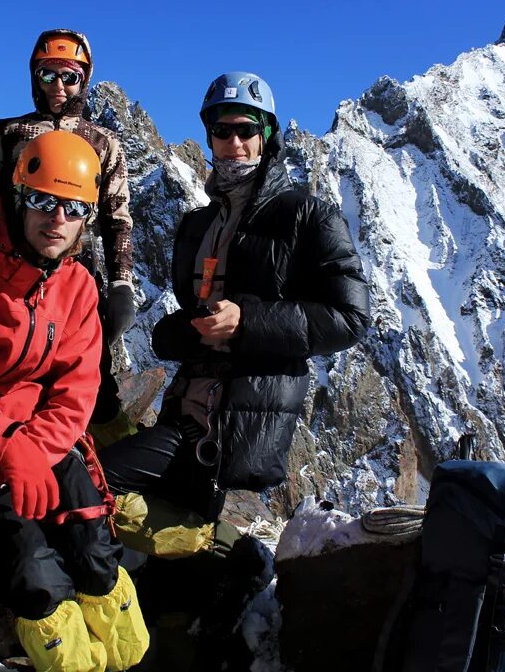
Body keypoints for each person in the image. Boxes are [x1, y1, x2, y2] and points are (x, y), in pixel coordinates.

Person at [98, 72, 370, 663]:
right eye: (222, 131)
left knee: (96, 480)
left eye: (248, 130)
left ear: (267, 136)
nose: (235, 144)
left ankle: (209, 574)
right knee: (167, 552)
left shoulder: (307, 214)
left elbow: (350, 317)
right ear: (209, 137)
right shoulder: (197, 224)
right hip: (186, 408)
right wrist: (181, 330)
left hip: (242, 423)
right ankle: (225, 564)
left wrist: (246, 323)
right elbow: (182, 321)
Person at [0, 131, 149, 672]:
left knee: (96, 555)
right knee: (36, 575)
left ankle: (128, 660)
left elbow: (76, 389)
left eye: (74, 207)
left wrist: (36, 450)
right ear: (17, 197)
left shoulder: (79, 287)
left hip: (50, 444)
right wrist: (6, 446)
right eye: (43, 200)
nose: (56, 218)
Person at [0, 29, 137, 444]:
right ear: (33, 78)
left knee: (89, 369)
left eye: (69, 76)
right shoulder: (7, 134)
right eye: (47, 75)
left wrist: (122, 282)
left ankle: (105, 459)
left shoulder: (104, 143)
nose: (58, 86)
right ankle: (3, 437)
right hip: (7, 270)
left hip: (78, 275)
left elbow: (117, 218)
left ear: (85, 80)